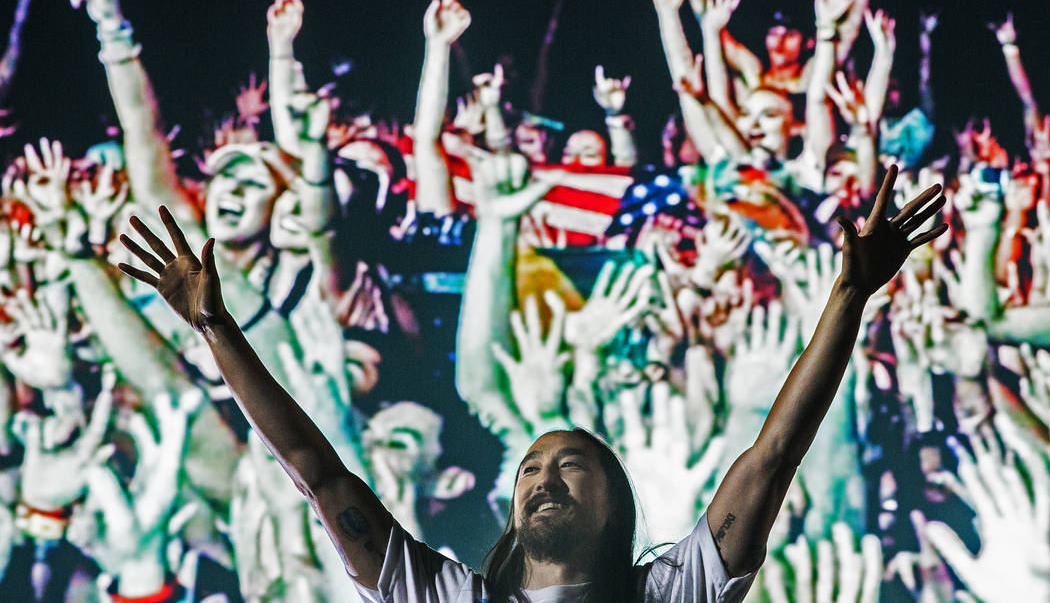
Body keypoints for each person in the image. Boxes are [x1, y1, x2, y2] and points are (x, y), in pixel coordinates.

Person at [115, 163, 946, 602]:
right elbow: (319, 472)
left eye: (569, 464)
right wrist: (216, 328)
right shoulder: (444, 596)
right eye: (530, 469)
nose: (541, 476)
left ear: (616, 504)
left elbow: (771, 456)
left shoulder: (672, 591)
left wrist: (847, 295)